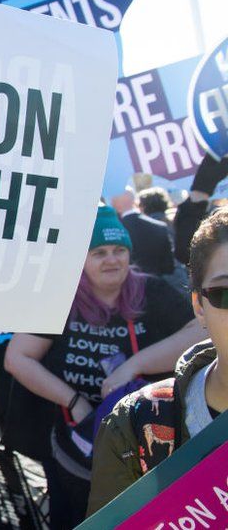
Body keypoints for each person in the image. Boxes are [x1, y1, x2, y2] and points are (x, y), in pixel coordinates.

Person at [4, 205, 205, 528]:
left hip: (145, 440)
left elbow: (201, 330)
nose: (112, 259)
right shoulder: (61, 297)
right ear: (80, 261)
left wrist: (134, 365)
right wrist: (74, 401)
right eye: (99, 252)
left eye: (119, 250)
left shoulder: (151, 290)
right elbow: (17, 358)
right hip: (77, 443)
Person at [88, 209, 228, 515]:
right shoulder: (132, 425)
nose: (111, 260)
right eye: (225, 293)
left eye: (118, 250)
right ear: (199, 306)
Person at [113, 188, 175, 276]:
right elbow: (169, 267)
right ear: (135, 201)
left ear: (116, 205)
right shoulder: (160, 227)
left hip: (127, 286)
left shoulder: (115, 231)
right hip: (155, 284)